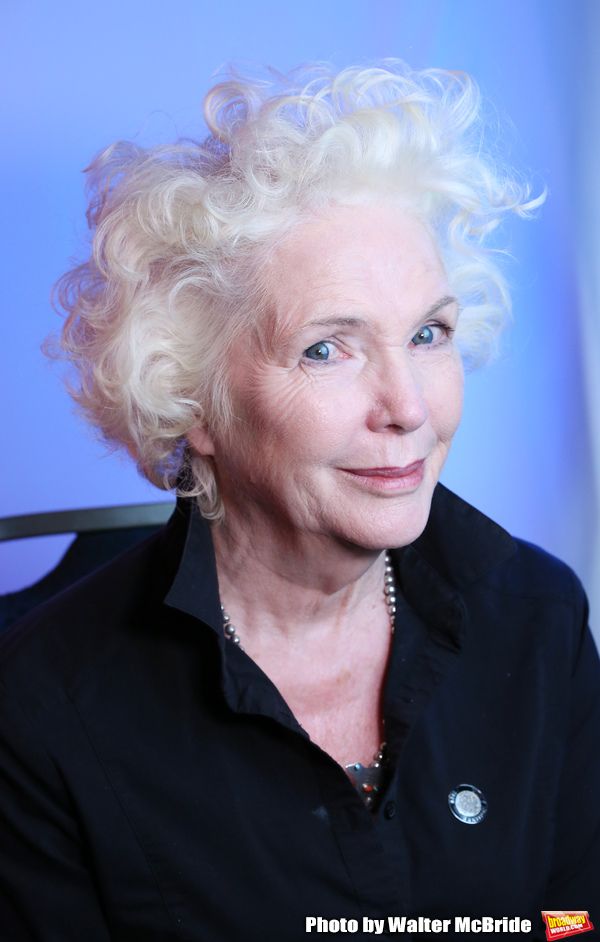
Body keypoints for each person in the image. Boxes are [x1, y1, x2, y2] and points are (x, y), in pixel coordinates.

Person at [0, 62, 598, 942]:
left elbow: (570, 923)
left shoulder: (538, 620)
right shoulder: (46, 707)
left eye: (427, 334)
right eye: (328, 349)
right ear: (194, 399)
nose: (410, 407)